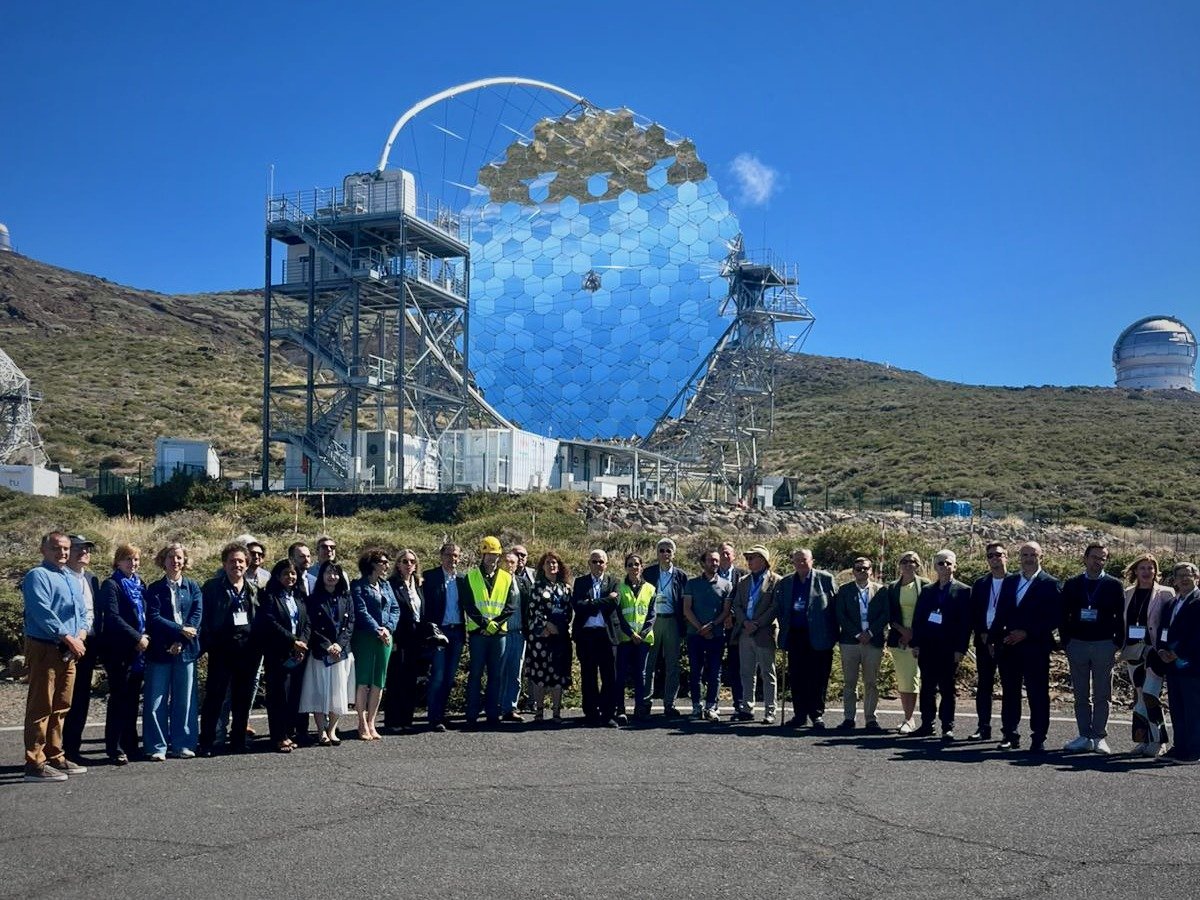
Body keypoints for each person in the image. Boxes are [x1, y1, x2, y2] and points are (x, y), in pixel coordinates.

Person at [21, 531, 88, 782]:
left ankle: (55, 754)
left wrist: (79, 637)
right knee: (41, 705)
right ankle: (35, 762)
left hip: (68, 651)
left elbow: (81, 612)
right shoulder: (38, 576)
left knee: (61, 705)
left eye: (65, 549)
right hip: (45, 647)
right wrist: (68, 638)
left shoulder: (70, 578)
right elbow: (42, 612)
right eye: (56, 548)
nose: (62, 553)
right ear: (44, 550)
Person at [989, 540, 1062, 753]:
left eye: (1033, 555)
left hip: (1036, 647)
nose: (1029, 559)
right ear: (1019, 558)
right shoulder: (1010, 581)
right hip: (1010, 646)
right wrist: (993, 639)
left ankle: (1038, 737)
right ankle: (1010, 734)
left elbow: (1055, 617)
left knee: (1037, 693)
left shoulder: (1050, 583)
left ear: (1041, 557)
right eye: (1025, 555)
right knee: (1010, 693)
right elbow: (1001, 611)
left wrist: (1027, 632)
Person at [1059, 543, 1123, 754]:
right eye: (1094, 557)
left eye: (1103, 558)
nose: (1098, 561)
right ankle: (1084, 735)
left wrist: (1116, 642)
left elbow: (1120, 616)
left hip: (1104, 644)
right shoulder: (1072, 584)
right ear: (1085, 558)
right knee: (1080, 693)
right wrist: (1066, 640)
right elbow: (1063, 614)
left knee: (1103, 693)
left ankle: (1099, 736)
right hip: (1077, 644)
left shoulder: (1114, 584)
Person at [199, 542, 261, 756]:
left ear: (247, 564)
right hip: (221, 651)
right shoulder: (212, 587)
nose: (237, 565)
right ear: (224, 564)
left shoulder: (253, 589)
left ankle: (237, 741)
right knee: (215, 698)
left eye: (241, 561)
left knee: (242, 700)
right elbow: (204, 619)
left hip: (247, 652)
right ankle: (207, 742)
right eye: (232, 561)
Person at [142, 542, 203, 761]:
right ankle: (156, 746)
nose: (175, 561)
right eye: (170, 557)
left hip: (186, 650)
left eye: (179, 557)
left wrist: (181, 640)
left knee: (184, 699)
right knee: (156, 700)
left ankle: (183, 744)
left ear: (184, 561)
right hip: (160, 650)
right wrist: (178, 631)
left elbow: (196, 616)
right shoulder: (154, 588)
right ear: (163, 560)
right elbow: (154, 617)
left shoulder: (193, 587)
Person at [909, 550, 972, 740]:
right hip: (928, 647)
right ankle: (927, 724)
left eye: (948, 563)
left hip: (949, 649)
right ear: (935, 566)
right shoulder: (928, 590)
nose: (944, 567)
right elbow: (918, 619)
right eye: (940, 563)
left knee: (947, 689)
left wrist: (961, 649)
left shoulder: (964, 591)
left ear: (955, 566)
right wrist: (916, 643)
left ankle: (947, 726)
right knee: (927, 688)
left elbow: (966, 624)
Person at [777, 548, 838, 730]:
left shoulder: (825, 579)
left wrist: (834, 634)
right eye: (797, 561)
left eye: (804, 560)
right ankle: (800, 714)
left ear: (812, 560)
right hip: (796, 635)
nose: (800, 563)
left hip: (820, 636)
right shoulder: (787, 582)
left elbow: (835, 608)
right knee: (797, 677)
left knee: (818, 678)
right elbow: (780, 608)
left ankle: (816, 714)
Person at [254, 559, 311, 753]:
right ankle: (278, 736)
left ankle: (289, 732)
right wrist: (292, 641)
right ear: (278, 576)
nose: (290, 577)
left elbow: (307, 622)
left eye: (293, 574)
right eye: (286, 573)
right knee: (279, 697)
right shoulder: (269, 596)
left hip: (299, 654)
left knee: (294, 695)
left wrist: (302, 642)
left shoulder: (299, 597)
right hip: (278, 653)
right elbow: (270, 622)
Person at [98, 544, 148, 762]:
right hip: (119, 650)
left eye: (136, 559)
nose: (133, 563)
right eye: (128, 559)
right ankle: (115, 747)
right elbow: (112, 617)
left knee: (132, 699)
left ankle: (131, 744)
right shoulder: (111, 585)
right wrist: (136, 638)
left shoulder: (140, 584)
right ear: (117, 561)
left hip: (139, 653)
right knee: (119, 699)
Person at [1122, 553, 1175, 757]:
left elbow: (1169, 623)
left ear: (1156, 571)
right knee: (1139, 697)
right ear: (1135, 571)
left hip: (1154, 651)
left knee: (1151, 695)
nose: (1146, 572)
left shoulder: (1165, 593)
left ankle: (1159, 740)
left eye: (1150, 568)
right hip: (1134, 650)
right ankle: (1142, 739)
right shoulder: (1128, 592)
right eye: (1142, 568)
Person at [463, 536, 518, 727]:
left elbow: (511, 605)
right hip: (479, 633)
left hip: (498, 634)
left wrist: (495, 623)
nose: (492, 558)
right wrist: (485, 624)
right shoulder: (470, 576)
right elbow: (468, 605)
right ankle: (471, 714)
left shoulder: (506, 577)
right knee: (476, 674)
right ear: (482, 554)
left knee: (496, 675)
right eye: (488, 554)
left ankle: (492, 714)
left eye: (495, 555)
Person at [299, 561, 356, 745]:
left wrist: (339, 645)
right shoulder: (313, 599)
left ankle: (332, 730)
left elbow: (350, 624)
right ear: (321, 575)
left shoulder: (346, 597)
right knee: (320, 692)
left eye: (336, 573)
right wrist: (327, 645)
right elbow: (311, 626)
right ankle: (320, 730)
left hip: (341, 653)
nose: (332, 577)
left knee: (338, 692)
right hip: (321, 653)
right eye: (328, 573)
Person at [350, 548, 400, 741]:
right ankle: (361, 722)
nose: (387, 565)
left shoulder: (386, 585)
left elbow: (395, 608)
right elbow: (360, 611)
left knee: (379, 682)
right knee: (363, 681)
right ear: (371, 564)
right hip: (365, 637)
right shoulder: (358, 585)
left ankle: (371, 722)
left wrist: (387, 628)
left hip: (385, 638)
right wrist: (376, 629)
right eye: (383, 562)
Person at [833, 556, 887, 730]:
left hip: (873, 641)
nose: (862, 571)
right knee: (850, 682)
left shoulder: (881, 590)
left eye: (865, 568)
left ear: (871, 570)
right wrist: (857, 633)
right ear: (853, 571)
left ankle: (871, 718)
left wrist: (870, 633)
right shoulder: (844, 590)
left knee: (871, 682)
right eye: (858, 569)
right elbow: (841, 615)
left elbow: (885, 615)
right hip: (850, 642)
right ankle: (849, 717)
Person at [731, 545, 782, 724]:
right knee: (746, 672)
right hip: (745, 631)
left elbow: (775, 607)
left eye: (752, 557)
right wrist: (745, 622)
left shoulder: (776, 581)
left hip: (764, 632)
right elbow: (736, 605)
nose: (749, 561)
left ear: (763, 560)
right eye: (748, 558)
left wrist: (758, 623)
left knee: (768, 673)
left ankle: (770, 711)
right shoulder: (744, 581)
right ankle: (747, 708)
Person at [571, 549, 622, 727]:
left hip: (607, 636)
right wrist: (603, 600)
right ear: (589, 564)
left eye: (601, 562)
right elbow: (578, 606)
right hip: (586, 636)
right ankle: (591, 713)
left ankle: (608, 713)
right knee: (588, 676)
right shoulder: (580, 582)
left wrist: (591, 603)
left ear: (606, 564)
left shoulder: (614, 582)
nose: (598, 565)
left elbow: (613, 604)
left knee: (609, 677)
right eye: (594, 562)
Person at [62, 535, 100, 765]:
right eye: (79, 548)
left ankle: (72, 749)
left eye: (87, 549)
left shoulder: (92, 578)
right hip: (65, 646)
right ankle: (55, 751)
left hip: (89, 645)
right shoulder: (60, 578)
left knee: (81, 699)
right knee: (62, 700)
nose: (84, 552)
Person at [683, 548, 733, 721]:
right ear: (703, 563)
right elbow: (687, 609)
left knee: (715, 672)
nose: (715, 563)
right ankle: (696, 706)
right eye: (711, 560)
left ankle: (711, 706)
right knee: (696, 671)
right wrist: (700, 628)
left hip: (717, 635)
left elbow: (726, 611)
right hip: (695, 634)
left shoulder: (726, 584)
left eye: (717, 560)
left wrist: (711, 626)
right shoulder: (692, 583)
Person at [423, 542, 467, 732]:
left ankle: (442, 713)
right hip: (439, 632)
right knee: (439, 675)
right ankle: (434, 717)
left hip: (456, 631)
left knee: (449, 677)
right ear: (441, 556)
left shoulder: (463, 579)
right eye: (449, 555)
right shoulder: (429, 577)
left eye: (455, 555)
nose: (452, 559)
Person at [1159, 563, 1200, 764]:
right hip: (1172, 666)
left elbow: (1197, 636)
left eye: (1188, 575)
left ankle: (1194, 751)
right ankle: (1180, 747)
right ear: (1174, 580)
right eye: (1180, 576)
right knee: (1177, 709)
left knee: (1193, 710)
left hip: (1192, 665)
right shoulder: (1171, 604)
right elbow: (1163, 630)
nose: (1184, 579)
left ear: (1197, 577)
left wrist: (1177, 653)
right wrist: (1161, 649)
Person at [883, 551, 929, 733]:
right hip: (899, 639)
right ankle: (907, 717)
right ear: (899, 564)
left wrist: (913, 634)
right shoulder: (892, 587)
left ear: (918, 565)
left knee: (914, 679)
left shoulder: (925, 585)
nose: (908, 564)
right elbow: (889, 613)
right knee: (904, 680)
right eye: (904, 561)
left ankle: (913, 719)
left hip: (919, 640)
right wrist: (902, 631)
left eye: (912, 561)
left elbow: (927, 613)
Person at [525, 551, 573, 722]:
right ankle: (538, 711)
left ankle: (556, 712)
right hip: (540, 638)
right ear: (542, 566)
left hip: (560, 637)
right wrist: (545, 625)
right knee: (540, 674)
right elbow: (532, 610)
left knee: (558, 674)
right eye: (548, 562)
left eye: (554, 562)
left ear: (559, 566)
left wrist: (559, 627)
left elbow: (569, 612)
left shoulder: (566, 588)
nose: (552, 565)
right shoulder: (536, 587)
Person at [968, 543, 1008, 741]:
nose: (994, 558)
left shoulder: (1015, 581)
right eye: (990, 555)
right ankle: (983, 727)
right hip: (984, 641)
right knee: (984, 686)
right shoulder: (981, 583)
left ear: (1006, 556)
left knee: (1009, 687)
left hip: (1007, 641)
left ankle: (1008, 730)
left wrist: (998, 636)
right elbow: (974, 612)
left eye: (998, 555)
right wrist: (983, 634)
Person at [644, 538, 688, 717]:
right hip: (653, 621)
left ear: (674, 554)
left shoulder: (681, 575)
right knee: (649, 664)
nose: (665, 554)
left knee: (672, 665)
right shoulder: (648, 573)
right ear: (657, 553)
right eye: (661, 550)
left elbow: (685, 601)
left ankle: (670, 703)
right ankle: (645, 702)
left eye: (668, 550)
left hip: (672, 622)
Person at [384, 550, 425, 733]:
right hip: (399, 637)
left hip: (415, 638)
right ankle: (393, 720)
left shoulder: (418, 584)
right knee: (396, 678)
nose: (409, 564)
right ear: (398, 564)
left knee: (410, 678)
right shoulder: (391, 585)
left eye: (412, 561)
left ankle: (407, 718)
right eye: (404, 561)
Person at [615, 553, 656, 721]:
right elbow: (618, 614)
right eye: (630, 565)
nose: (634, 568)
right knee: (622, 675)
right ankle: (621, 709)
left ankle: (640, 707)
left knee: (641, 675)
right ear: (626, 568)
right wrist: (631, 634)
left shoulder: (651, 589)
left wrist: (642, 634)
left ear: (642, 567)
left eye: (637, 564)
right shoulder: (619, 588)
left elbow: (652, 615)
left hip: (643, 640)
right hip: (625, 639)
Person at [499, 544, 536, 722]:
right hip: (501, 632)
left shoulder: (523, 581)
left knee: (515, 672)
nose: (511, 564)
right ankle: (496, 706)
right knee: (499, 671)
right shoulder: (496, 580)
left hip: (519, 632)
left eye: (513, 562)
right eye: (507, 561)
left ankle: (510, 707)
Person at [716, 542, 747, 716]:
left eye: (728, 553)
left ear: (734, 556)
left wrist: (731, 615)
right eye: (721, 554)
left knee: (737, 664)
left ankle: (739, 703)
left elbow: (745, 600)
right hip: (717, 625)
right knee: (714, 664)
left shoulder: (742, 576)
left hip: (737, 626)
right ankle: (713, 702)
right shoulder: (711, 575)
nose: (725, 556)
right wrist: (723, 616)